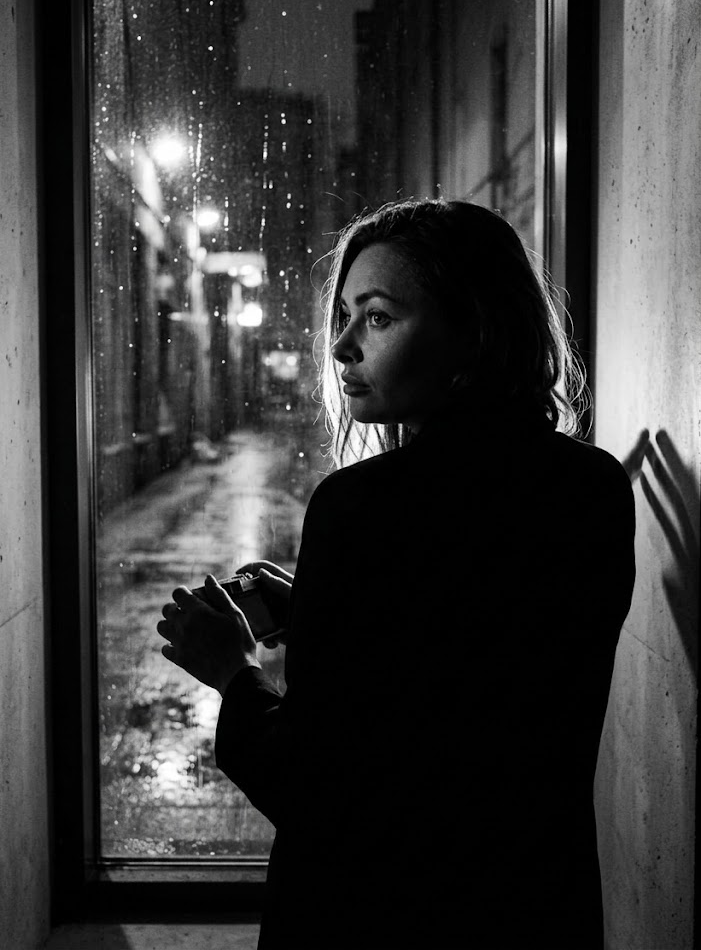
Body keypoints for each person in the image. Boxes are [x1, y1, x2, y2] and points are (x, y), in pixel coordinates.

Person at [157, 199, 635, 949]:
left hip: (375, 918)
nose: (341, 345)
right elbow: (470, 669)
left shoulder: (360, 509)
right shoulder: (594, 487)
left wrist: (234, 672)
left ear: (473, 330)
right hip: (533, 907)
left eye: (377, 317)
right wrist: (318, 611)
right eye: (345, 315)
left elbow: (317, 788)